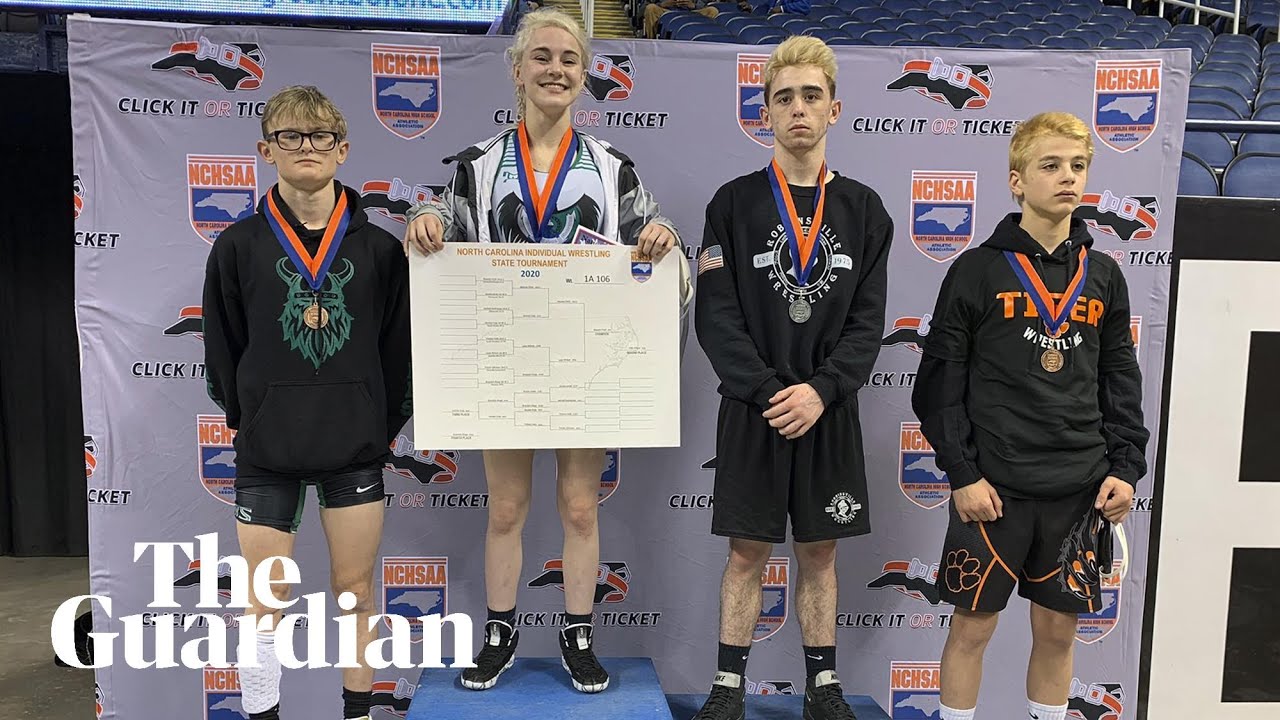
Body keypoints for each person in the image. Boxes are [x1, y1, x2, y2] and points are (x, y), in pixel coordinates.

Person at [402, 6, 690, 694]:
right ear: (517, 69)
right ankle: (500, 632)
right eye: (542, 56)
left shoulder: (613, 168)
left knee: (581, 508)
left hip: (582, 365)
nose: (556, 69)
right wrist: (427, 218)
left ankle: (578, 633)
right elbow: (441, 225)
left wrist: (663, 237)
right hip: (504, 362)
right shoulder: (476, 167)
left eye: (569, 59)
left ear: (585, 75)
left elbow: (654, 244)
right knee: (505, 509)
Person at [911, 111, 1150, 720]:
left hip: (1078, 489)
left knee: (1058, 633)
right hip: (994, 490)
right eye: (1051, 165)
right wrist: (962, 474)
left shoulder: (1104, 275)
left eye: (1078, 166)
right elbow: (938, 388)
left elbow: (1120, 380)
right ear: (1017, 180)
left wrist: (1126, 466)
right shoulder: (975, 270)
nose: (1068, 177)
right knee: (971, 630)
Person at [691, 36, 892, 720]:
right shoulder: (733, 204)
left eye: (811, 96)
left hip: (827, 411)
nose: (798, 108)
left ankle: (822, 687)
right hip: (756, 411)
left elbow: (867, 324)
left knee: (820, 554)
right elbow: (716, 318)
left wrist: (822, 390)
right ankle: (727, 688)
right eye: (784, 98)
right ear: (765, 113)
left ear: (834, 109)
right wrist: (768, 391)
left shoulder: (865, 210)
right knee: (746, 552)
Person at [203, 85, 412, 720]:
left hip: (354, 449)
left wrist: (375, 425)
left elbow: (398, 352)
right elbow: (223, 352)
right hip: (267, 452)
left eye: (320, 136)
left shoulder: (380, 250)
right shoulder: (237, 246)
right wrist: (254, 419)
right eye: (290, 136)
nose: (306, 147)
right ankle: (262, 712)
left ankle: (357, 712)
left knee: (355, 591)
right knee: (264, 598)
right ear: (266, 150)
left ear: (342, 149)